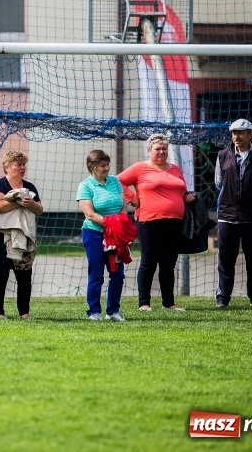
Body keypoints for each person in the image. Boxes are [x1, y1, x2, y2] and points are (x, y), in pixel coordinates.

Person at [118, 134, 195, 312]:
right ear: (149, 150)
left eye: (164, 148)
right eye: (157, 149)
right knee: (149, 262)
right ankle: (144, 303)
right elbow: (117, 180)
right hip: (148, 222)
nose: (161, 151)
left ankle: (169, 303)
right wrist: (131, 198)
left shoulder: (175, 169)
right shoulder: (140, 168)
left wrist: (188, 199)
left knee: (168, 264)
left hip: (175, 222)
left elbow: (179, 191)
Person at [214, 118, 252, 308]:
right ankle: (223, 297)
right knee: (225, 260)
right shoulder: (223, 155)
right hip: (227, 215)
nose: (236, 136)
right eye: (233, 133)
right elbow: (218, 182)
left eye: (240, 132)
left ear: (250, 134)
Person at [0, 150, 44, 319]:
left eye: (23, 164)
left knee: (24, 275)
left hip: (24, 235)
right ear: (7, 167)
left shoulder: (30, 187)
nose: (22, 167)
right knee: (1, 273)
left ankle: (24, 313)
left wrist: (31, 203)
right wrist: (19, 202)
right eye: (17, 164)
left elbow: (40, 210)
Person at [77, 150, 130, 321]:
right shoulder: (85, 186)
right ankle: (94, 312)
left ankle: (113, 311)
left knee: (118, 273)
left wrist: (120, 223)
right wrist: (111, 224)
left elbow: (123, 205)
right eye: (103, 165)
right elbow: (90, 214)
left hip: (116, 235)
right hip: (94, 234)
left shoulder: (115, 181)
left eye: (108, 164)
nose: (107, 168)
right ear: (92, 167)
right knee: (97, 273)